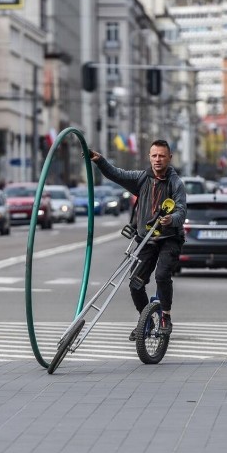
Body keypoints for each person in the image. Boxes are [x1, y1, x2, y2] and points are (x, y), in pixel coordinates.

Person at [88, 140, 187, 339]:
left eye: (161, 156)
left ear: (169, 158)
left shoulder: (176, 183)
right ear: (149, 157)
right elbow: (116, 174)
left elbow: (182, 212)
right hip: (146, 239)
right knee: (135, 283)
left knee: (162, 276)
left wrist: (171, 219)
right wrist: (99, 161)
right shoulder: (141, 179)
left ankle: (166, 316)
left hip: (169, 238)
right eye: (154, 155)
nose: (157, 159)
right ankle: (146, 322)